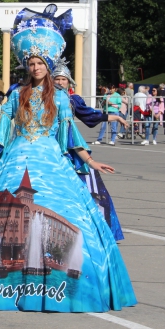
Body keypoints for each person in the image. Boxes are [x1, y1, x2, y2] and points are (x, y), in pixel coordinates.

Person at [0, 11, 136, 312]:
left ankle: (59, 282)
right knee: (5, 214)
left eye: (39, 63)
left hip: (50, 158)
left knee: (67, 215)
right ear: (26, 65)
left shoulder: (60, 97)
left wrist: (91, 162)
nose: (34, 67)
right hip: (17, 155)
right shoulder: (17, 94)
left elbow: (70, 135)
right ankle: (9, 282)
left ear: (48, 65)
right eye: (30, 63)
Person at [53, 59, 126, 241]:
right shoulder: (44, 97)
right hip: (48, 145)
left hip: (71, 145)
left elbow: (90, 115)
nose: (60, 82)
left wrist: (114, 117)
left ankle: (101, 230)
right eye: (57, 79)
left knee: (90, 186)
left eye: (63, 79)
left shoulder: (73, 100)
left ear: (69, 82)